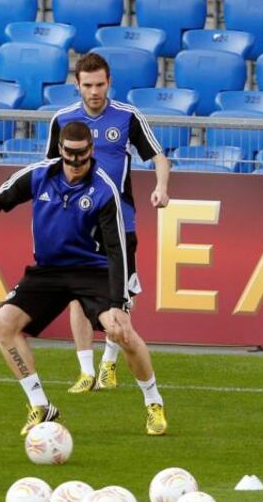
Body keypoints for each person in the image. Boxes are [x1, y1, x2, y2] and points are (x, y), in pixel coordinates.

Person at [0, 121, 168, 436]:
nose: (76, 163)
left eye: (83, 155)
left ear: (91, 151)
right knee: (4, 324)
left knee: (121, 332)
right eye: (70, 154)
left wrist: (118, 302)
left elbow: (116, 250)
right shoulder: (39, 174)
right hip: (48, 270)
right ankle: (40, 405)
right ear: (60, 150)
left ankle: (153, 402)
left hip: (93, 270)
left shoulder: (104, 190)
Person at [44, 52, 171, 394]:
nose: (95, 91)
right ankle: (86, 370)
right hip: (78, 224)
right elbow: (50, 174)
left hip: (120, 221)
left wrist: (160, 186)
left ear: (109, 82)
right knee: (76, 295)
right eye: (88, 85)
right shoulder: (62, 120)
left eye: (100, 84)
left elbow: (159, 157)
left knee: (121, 295)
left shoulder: (128, 117)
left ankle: (108, 364)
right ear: (77, 85)